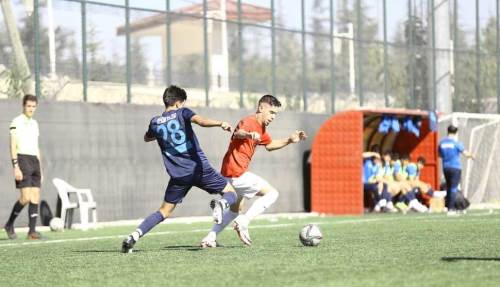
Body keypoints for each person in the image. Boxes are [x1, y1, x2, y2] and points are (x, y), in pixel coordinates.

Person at [121, 85, 238, 253]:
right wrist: (220, 123)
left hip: (178, 176)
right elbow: (201, 121)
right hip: (199, 169)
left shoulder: (155, 122)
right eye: (182, 103)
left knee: (163, 211)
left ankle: (133, 236)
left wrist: (161, 133)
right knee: (231, 193)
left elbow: (147, 138)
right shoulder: (182, 113)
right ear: (177, 103)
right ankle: (221, 204)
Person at [200, 95, 307, 247]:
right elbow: (238, 133)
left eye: (275, 114)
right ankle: (243, 220)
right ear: (261, 107)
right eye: (271, 112)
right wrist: (249, 134)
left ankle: (210, 237)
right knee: (272, 193)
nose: (273, 117)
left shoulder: (262, 128)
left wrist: (289, 140)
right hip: (237, 173)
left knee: (235, 210)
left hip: (230, 175)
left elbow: (269, 145)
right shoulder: (249, 121)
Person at [4, 94, 42, 240]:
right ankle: (9, 224)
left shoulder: (35, 123)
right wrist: (16, 166)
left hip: (34, 161)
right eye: (29, 106)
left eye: (33, 106)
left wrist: (41, 168)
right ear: (23, 106)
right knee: (25, 197)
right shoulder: (16, 121)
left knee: (35, 196)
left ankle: (32, 231)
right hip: (22, 159)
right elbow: (12, 145)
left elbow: (37, 147)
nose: (31, 109)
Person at [438, 125, 474, 215]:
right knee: (454, 188)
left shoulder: (442, 143)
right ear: (455, 133)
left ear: (447, 131)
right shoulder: (456, 143)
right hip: (455, 167)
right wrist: (472, 155)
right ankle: (452, 208)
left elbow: (439, 155)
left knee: (449, 187)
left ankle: (451, 207)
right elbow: (465, 153)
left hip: (446, 167)